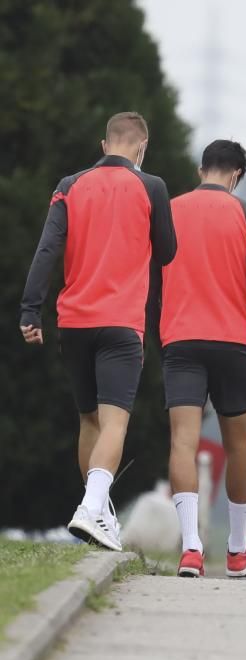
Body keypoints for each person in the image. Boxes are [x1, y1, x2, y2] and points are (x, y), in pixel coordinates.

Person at [20, 111, 177, 551]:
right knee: (115, 421)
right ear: (141, 148)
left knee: (88, 418)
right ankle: (91, 509)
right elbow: (167, 251)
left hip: (73, 323)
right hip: (121, 324)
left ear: (103, 143)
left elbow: (48, 247)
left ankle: (98, 510)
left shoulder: (69, 186)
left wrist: (30, 310)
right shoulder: (151, 186)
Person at [152, 140, 246, 578]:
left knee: (182, 441)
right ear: (237, 175)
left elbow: (152, 278)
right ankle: (238, 549)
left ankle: (190, 549)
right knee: (238, 443)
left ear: (201, 168)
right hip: (234, 344)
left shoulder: (170, 209)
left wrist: (159, 335)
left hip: (181, 341)